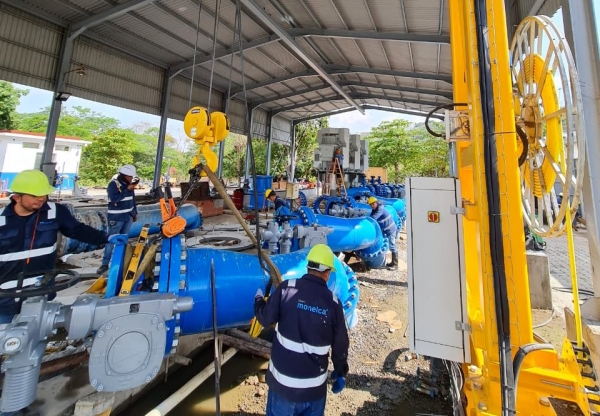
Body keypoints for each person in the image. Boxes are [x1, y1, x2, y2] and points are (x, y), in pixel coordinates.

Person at [0, 170, 118, 324]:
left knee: (36, 335)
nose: (41, 199)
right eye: (35, 195)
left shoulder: (55, 212)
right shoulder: (2, 220)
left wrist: (106, 237)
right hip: (6, 296)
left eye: (44, 194)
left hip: (41, 291)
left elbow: (77, 230)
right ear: (17, 197)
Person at [254, 244, 349, 416]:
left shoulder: (286, 289)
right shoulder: (334, 304)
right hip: (313, 392)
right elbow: (341, 345)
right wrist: (340, 372)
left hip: (283, 389)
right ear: (327, 274)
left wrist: (259, 300)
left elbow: (265, 318)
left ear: (308, 267)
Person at [97, 165, 138, 275]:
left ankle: (121, 262)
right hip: (117, 218)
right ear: (124, 175)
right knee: (111, 240)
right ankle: (105, 264)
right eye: (130, 176)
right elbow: (115, 199)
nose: (131, 178)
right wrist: (127, 190)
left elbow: (132, 199)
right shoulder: (113, 185)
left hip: (128, 216)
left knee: (124, 239)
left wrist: (134, 213)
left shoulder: (129, 185)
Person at [368, 196, 398, 270]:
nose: (372, 206)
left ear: (376, 203)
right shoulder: (374, 210)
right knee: (391, 246)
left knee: (392, 246)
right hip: (387, 230)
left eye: (373, 204)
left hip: (391, 230)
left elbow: (373, 218)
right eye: (371, 205)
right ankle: (392, 263)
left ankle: (395, 265)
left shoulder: (380, 209)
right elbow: (371, 217)